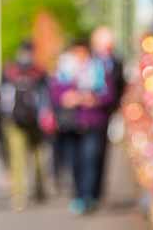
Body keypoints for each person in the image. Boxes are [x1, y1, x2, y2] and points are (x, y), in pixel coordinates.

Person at [49, 38, 116, 215]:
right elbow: (55, 93)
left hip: (92, 122)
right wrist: (68, 97)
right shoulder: (65, 71)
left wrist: (92, 99)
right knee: (75, 162)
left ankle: (89, 196)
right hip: (71, 124)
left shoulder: (99, 69)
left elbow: (109, 95)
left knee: (90, 159)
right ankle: (78, 194)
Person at [0, 41, 48, 211]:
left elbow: (3, 96)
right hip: (31, 120)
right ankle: (38, 189)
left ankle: (19, 195)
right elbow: (45, 96)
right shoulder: (39, 71)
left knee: (18, 158)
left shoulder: (9, 71)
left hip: (14, 120)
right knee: (36, 156)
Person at [90, 26, 125, 204]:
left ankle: (97, 190)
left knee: (100, 152)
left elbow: (121, 86)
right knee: (88, 154)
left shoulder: (116, 62)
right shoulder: (89, 62)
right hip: (87, 113)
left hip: (105, 112)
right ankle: (87, 191)